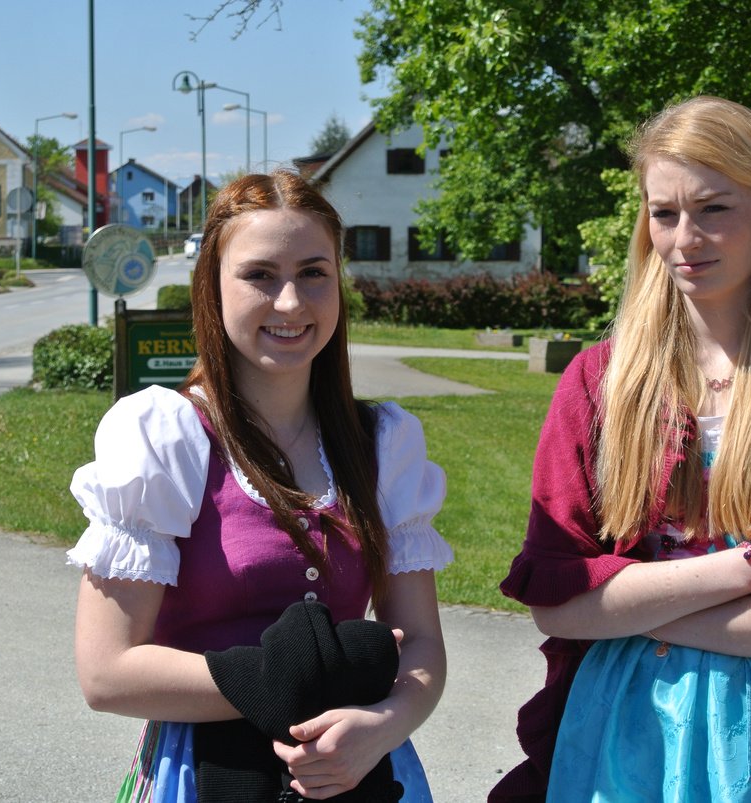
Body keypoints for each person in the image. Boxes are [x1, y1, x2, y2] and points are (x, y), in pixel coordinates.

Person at [489, 96, 751, 802]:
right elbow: (560, 603)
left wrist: (631, 611)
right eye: (664, 213)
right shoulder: (598, 383)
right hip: (616, 731)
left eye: (714, 209)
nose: (686, 238)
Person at [69, 170, 451, 801]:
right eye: (260, 275)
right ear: (212, 287)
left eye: (313, 273)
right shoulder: (165, 438)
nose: (291, 303)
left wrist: (384, 724)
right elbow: (107, 672)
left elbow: (423, 644)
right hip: (203, 773)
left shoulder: (383, 442)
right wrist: (278, 682)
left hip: (358, 767)